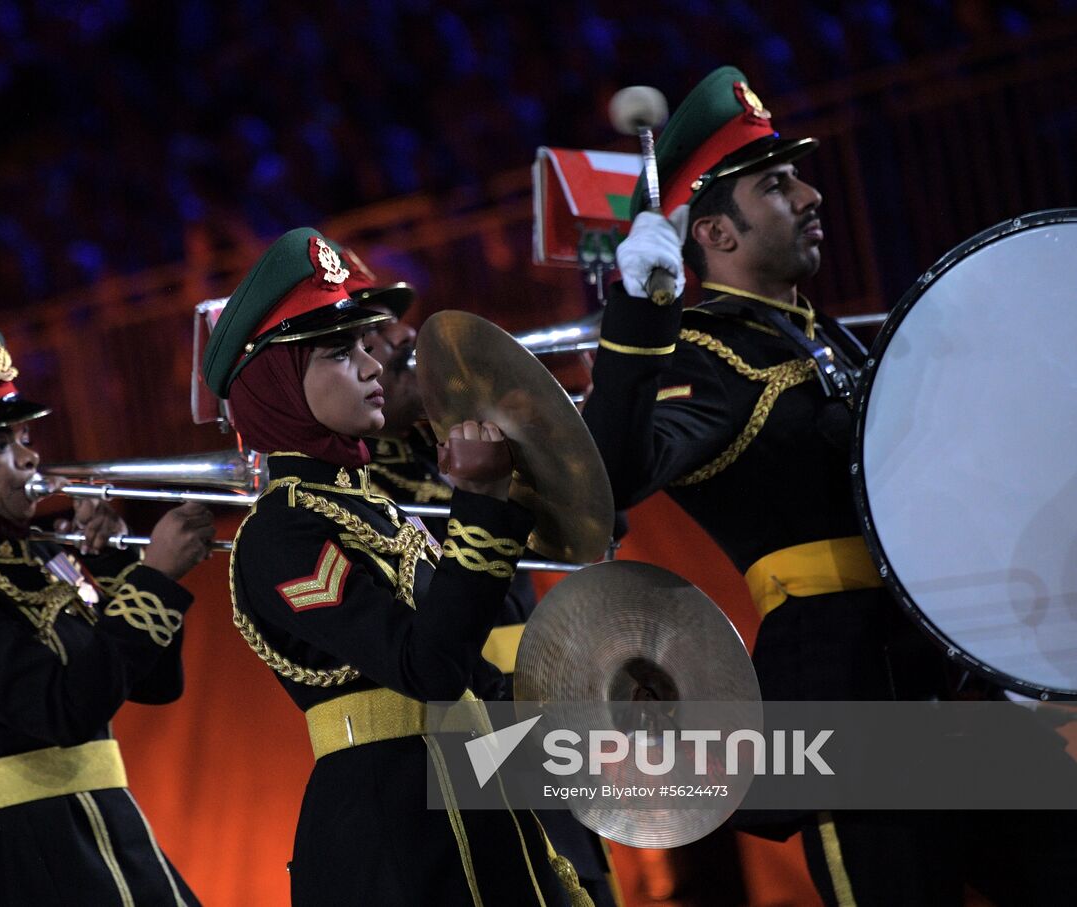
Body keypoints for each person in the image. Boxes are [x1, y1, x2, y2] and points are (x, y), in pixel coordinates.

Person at [582, 66, 1076, 905]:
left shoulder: (831, 339)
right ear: (715, 234)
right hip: (847, 702)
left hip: (946, 675)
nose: (811, 195)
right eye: (777, 186)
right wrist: (636, 318)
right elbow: (614, 479)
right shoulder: (700, 355)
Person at [202, 227, 589, 906]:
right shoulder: (278, 533)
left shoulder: (367, 503)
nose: (374, 365)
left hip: (470, 789)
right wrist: (478, 504)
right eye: (339, 354)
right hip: (390, 839)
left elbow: (465, 670)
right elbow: (426, 666)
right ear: (279, 383)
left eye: (364, 347)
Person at [0, 325, 214, 906]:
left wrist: (111, 570)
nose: (30, 455)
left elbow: (157, 683)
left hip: (112, 838)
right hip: (25, 864)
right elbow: (62, 708)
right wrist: (153, 580)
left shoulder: (37, 558)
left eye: (23, 435)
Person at [338, 242, 622, 906]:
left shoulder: (460, 434)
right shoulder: (363, 485)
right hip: (465, 725)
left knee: (585, 878)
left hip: (538, 699)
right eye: (376, 333)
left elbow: (591, 522)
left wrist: (566, 428)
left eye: (401, 324)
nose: (406, 340)